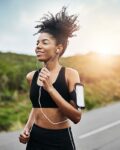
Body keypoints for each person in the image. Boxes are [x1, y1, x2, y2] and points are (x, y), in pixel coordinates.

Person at [19, 6, 83, 150]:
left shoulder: (72, 74)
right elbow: (36, 106)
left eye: (44, 42)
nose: (38, 47)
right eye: (37, 43)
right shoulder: (31, 77)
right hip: (35, 139)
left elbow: (77, 117)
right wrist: (27, 128)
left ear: (58, 48)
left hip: (60, 140)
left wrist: (50, 88)